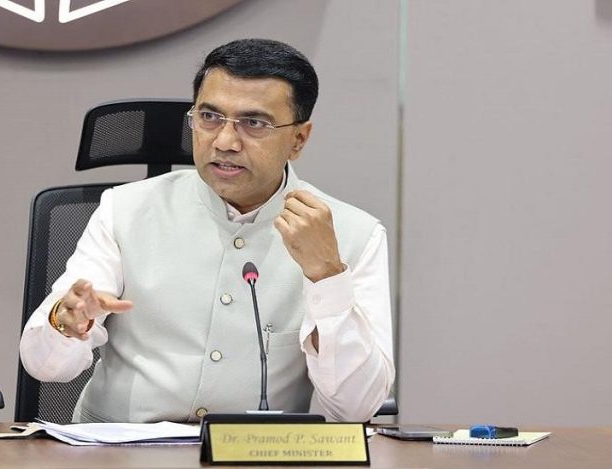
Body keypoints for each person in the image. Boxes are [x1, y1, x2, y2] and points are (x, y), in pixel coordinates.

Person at [20, 38, 394, 423]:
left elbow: (356, 407)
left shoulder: (353, 235)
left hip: (255, 453)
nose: (225, 142)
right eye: (210, 117)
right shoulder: (125, 210)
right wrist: (66, 322)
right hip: (119, 447)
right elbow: (45, 366)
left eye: (254, 123)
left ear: (298, 139)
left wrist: (327, 278)